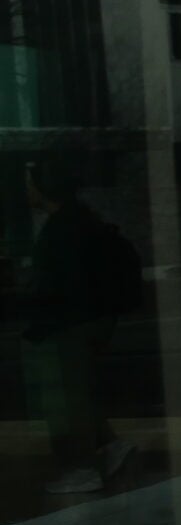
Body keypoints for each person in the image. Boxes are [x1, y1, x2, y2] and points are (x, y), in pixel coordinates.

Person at [21, 157, 141, 497]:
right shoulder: (80, 220)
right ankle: (109, 448)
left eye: (28, 181)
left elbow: (58, 290)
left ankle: (82, 468)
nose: (24, 188)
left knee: (64, 399)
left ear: (44, 187)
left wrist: (36, 319)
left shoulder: (62, 230)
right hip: (88, 321)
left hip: (70, 325)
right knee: (79, 394)